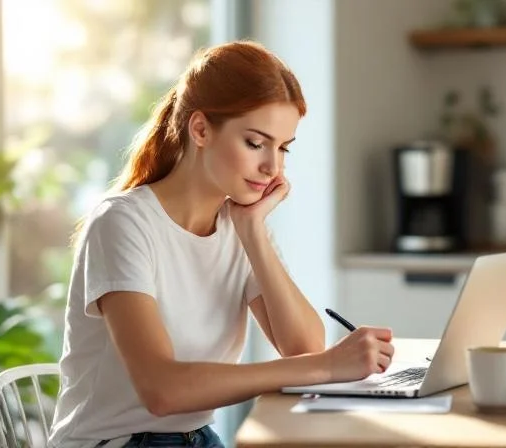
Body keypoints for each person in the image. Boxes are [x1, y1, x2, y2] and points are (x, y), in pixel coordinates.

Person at [47, 40, 395, 448]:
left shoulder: (240, 226)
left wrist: (252, 232)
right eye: (255, 143)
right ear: (200, 130)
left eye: (283, 148)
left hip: (196, 438)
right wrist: (323, 368)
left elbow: (302, 347)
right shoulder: (122, 223)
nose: (272, 167)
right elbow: (163, 390)